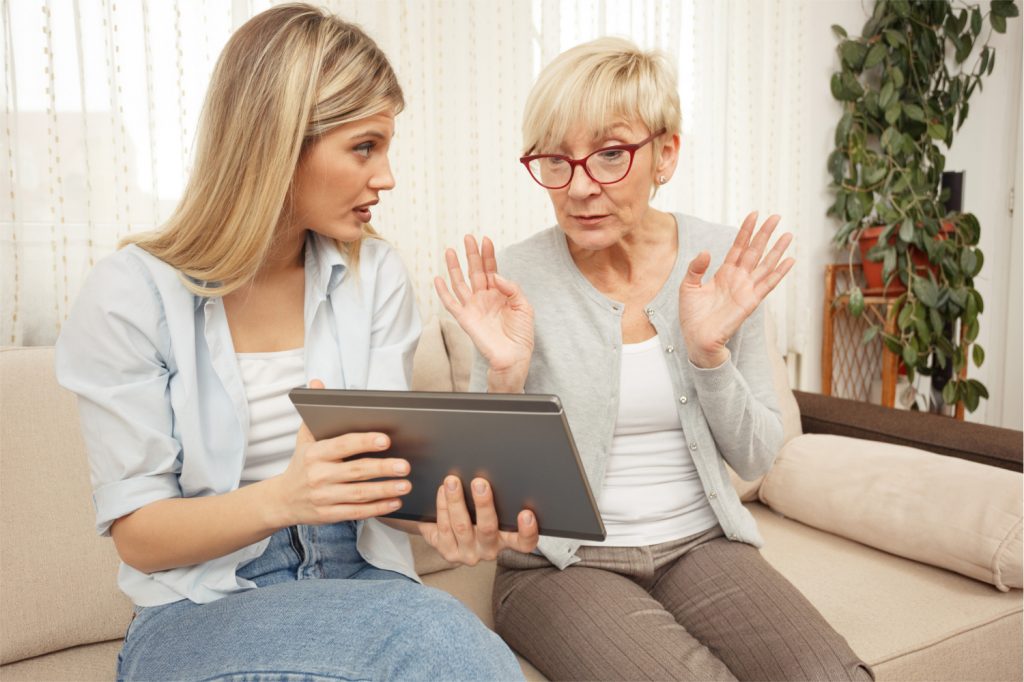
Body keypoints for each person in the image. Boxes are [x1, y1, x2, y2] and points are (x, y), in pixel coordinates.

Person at [55, 4, 536, 680]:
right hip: (200, 609)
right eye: (364, 146)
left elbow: (388, 482)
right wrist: (282, 500)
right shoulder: (131, 293)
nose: (388, 177)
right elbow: (139, 536)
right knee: (437, 641)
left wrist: (443, 517)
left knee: (437, 640)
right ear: (278, 141)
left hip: (363, 582)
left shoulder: (376, 275)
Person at [435, 37, 874, 681]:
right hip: (560, 568)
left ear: (665, 153)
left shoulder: (724, 262)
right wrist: (505, 377)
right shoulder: (515, 277)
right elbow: (480, 497)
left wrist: (708, 356)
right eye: (556, 161)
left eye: (610, 155)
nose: (579, 188)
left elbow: (755, 459)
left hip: (704, 546)